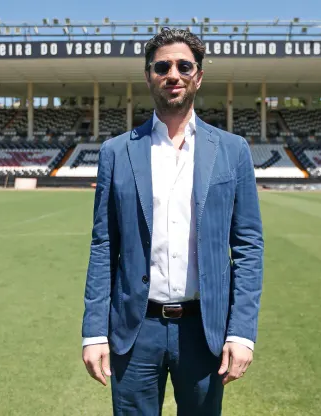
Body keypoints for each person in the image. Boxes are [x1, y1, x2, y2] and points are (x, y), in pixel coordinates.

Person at [81, 27, 264, 415]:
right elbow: (103, 246)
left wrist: (242, 332)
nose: (173, 74)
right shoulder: (116, 152)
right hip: (134, 329)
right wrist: (94, 332)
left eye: (184, 66)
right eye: (162, 66)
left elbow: (248, 247)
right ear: (148, 75)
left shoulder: (232, 151)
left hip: (204, 331)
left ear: (198, 75)